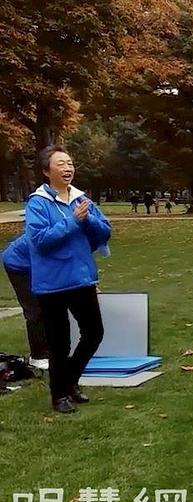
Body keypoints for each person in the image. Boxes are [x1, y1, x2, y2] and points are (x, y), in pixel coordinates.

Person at [24, 145, 111, 414]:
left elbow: (105, 231)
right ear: (46, 171)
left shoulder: (81, 199)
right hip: (52, 284)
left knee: (94, 333)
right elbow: (39, 241)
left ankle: (68, 381)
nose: (67, 168)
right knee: (59, 343)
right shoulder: (37, 202)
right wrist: (73, 222)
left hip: (81, 278)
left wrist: (87, 222)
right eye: (60, 163)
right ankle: (58, 394)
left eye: (70, 162)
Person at [2, 234, 49, 369]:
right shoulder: (58, 239)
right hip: (18, 264)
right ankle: (38, 356)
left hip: (36, 264)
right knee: (35, 309)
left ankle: (52, 347)